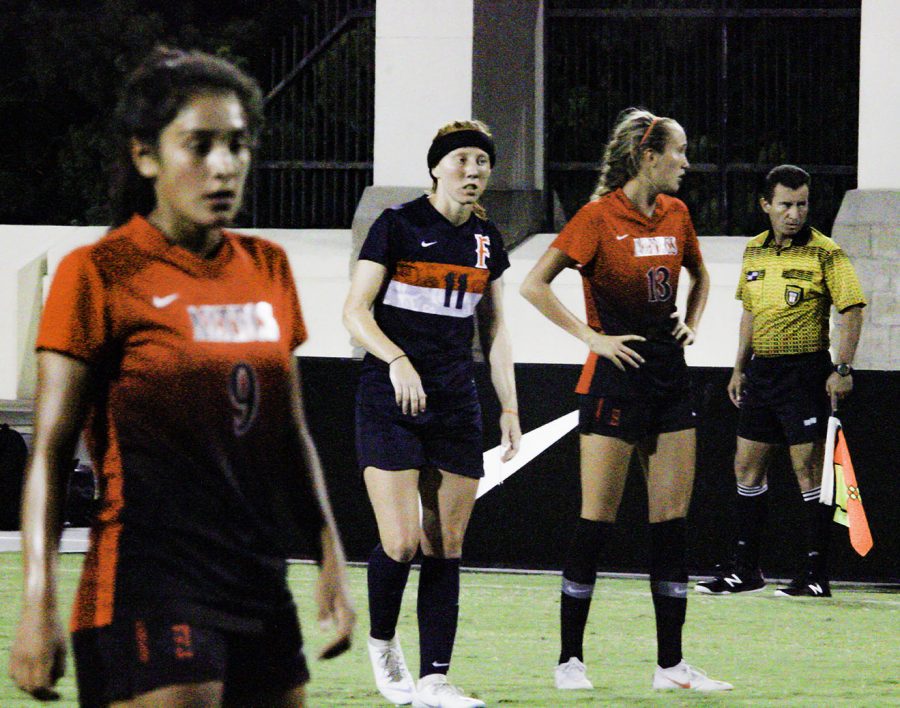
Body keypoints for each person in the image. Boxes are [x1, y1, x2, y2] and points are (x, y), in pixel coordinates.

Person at [8, 47, 355, 707]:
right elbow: (49, 454)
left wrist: (329, 557)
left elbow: (291, 433)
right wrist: (37, 602)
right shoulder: (99, 272)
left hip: (258, 582)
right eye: (200, 146)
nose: (224, 165)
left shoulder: (269, 268)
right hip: (147, 578)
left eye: (238, 145)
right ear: (146, 156)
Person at [521, 107, 732, 692]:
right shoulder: (596, 218)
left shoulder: (677, 213)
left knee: (671, 526)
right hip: (615, 382)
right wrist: (591, 338)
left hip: (670, 379)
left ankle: (671, 667)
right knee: (597, 523)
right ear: (647, 156)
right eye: (679, 152)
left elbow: (701, 275)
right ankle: (569, 661)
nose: (686, 163)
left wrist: (691, 321)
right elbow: (533, 284)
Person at [343, 120, 521, 708]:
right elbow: (354, 311)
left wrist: (509, 408)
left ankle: (435, 680)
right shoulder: (397, 226)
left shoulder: (488, 240)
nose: (475, 172)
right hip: (389, 400)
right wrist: (395, 359)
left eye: (483, 163)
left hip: (455, 403)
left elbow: (494, 332)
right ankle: (382, 643)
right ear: (437, 167)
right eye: (464, 160)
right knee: (400, 543)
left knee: (446, 546)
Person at [696, 165, 865, 598]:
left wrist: (842, 369)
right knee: (746, 466)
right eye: (786, 204)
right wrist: (738, 367)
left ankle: (814, 575)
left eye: (802, 204)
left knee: (806, 470)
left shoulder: (827, 252)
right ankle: (745, 571)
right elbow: (750, 311)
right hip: (763, 372)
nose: (794, 213)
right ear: (766, 205)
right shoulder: (754, 251)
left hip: (805, 371)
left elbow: (852, 310)